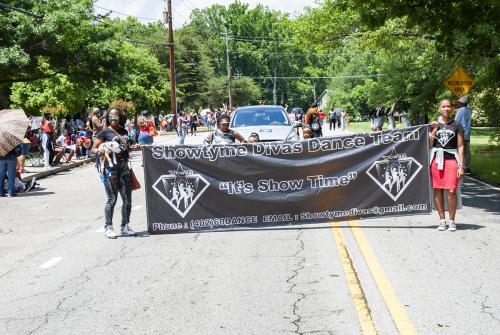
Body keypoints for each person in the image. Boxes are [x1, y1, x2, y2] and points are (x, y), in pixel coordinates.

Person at [92, 108, 141, 239]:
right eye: (111, 116)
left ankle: (125, 226)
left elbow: (125, 147)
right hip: (111, 169)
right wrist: (103, 148)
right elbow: (93, 149)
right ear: (107, 118)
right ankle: (108, 227)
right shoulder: (104, 132)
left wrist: (135, 147)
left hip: (125, 168)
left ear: (120, 117)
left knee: (127, 200)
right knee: (112, 199)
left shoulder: (124, 131)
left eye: (116, 116)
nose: (113, 119)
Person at [429, 98, 465, 232]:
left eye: (448, 106)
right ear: (439, 108)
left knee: (451, 190)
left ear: (452, 108)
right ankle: (442, 220)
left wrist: (461, 166)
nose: (446, 109)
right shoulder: (434, 124)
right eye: (443, 107)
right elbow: (429, 145)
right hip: (436, 161)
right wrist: (434, 129)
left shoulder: (457, 125)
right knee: (437, 189)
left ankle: (452, 221)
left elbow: (461, 146)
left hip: (452, 161)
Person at [455, 96, 472, 174]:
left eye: (458, 102)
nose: (457, 103)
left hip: (461, 133)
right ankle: (467, 167)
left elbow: (456, 121)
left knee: (460, 150)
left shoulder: (461, 110)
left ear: (461, 103)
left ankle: (461, 166)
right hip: (467, 133)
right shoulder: (469, 110)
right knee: (467, 151)